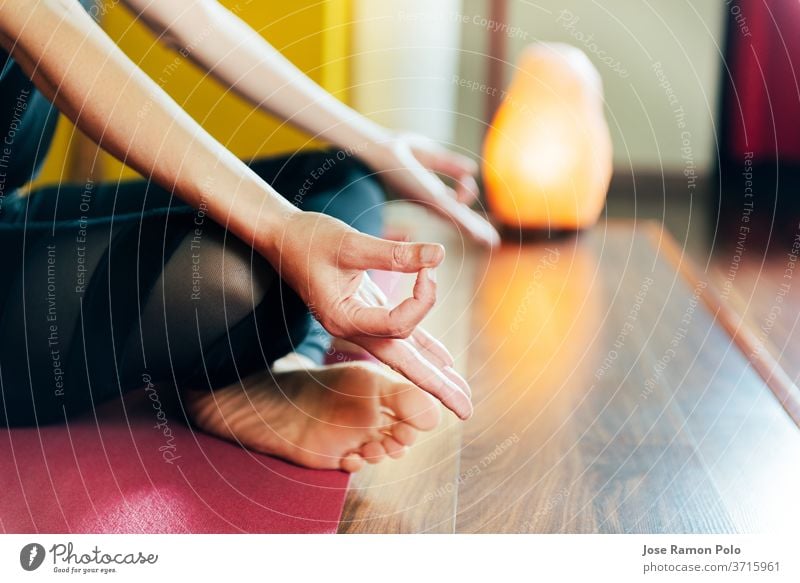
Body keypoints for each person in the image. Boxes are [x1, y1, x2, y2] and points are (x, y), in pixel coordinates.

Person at [0, 0, 499, 472]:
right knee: (239, 276)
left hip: (12, 212)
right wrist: (280, 231)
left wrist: (380, 147)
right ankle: (250, 368)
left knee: (344, 175)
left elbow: (191, 20)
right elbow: (48, 27)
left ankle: (265, 365)